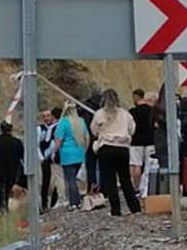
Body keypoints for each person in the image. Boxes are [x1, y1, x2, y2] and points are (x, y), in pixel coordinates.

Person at [91, 89, 141, 217]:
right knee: (125, 179)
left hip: (106, 148)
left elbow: (94, 131)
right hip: (122, 148)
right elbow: (132, 129)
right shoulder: (125, 114)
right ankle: (135, 208)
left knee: (110, 180)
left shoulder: (99, 114)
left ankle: (116, 210)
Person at [51, 101, 90, 210]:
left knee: (70, 179)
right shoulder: (81, 121)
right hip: (79, 152)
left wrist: (54, 152)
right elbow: (87, 137)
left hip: (67, 154)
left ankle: (74, 203)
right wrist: (84, 150)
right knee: (75, 178)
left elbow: (59, 139)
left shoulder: (63, 122)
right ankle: (77, 200)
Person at [0, 120, 24, 212]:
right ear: (11, 129)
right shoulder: (17, 142)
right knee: (9, 190)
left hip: (0, 172)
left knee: (1, 190)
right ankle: (8, 206)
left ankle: (2, 207)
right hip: (13, 172)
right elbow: (22, 157)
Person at [128, 89, 154, 193]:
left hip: (136, 142)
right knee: (149, 165)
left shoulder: (132, 112)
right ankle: (147, 187)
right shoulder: (151, 110)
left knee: (136, 165)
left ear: (135, 97)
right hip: (150, 141)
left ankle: (136, 187)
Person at [37, 108, 61, 211]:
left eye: (48, 116)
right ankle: (44, 205)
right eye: (44, 116)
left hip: (56, 158)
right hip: (44, 159)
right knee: (45, 182)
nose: (47, 118)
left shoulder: (57, 127)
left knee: (56, 181)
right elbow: (36, 144)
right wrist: (41, 158)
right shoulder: (39, 129)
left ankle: (54, 203)